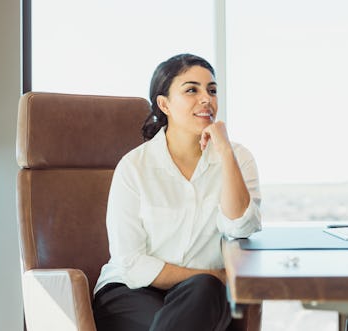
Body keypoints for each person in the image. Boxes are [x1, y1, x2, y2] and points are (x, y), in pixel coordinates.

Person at [92, 53, 262, 331]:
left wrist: (225, 151)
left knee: (203, 293)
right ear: (164, 104)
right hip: (131, 290)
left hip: (203, 294)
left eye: (212, 90)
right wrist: (216, 275)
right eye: (191, 90)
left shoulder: (237, 158)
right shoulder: (134, 166)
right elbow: (131, 262)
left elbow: (241, 226)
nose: (206, 99)